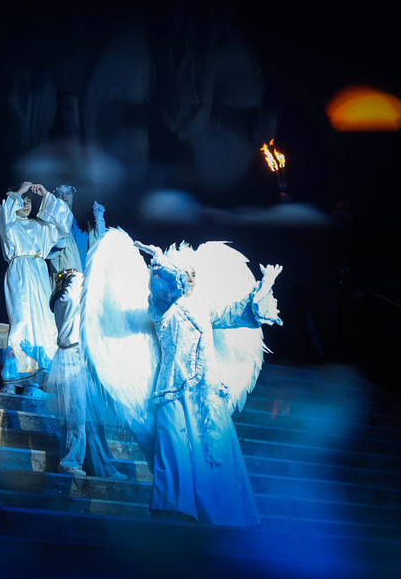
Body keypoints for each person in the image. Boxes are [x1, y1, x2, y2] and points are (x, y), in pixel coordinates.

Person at [136, 242, 281, 525]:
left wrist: (264, 286)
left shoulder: (204, 308)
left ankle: (217, 511)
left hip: (207, 391)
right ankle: (173, 511)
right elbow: (161, 293)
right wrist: (161, 263)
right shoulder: (164, 309)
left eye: (192, 275)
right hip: (175, 388)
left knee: (212, 451)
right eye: (184, 274)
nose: (189, 280)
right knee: (175, 451)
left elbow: (237, 312)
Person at [44, 269, 125, 479]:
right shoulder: (64, 302)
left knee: (95, 417)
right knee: (75, 415)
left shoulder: (80, 304)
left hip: (85, 359)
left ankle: (104, 467)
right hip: (69, 358)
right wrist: (77, 276)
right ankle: (69, 462)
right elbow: (72, 296)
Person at [0, 181, 73, 394]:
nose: (26, 204)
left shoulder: (40, 226)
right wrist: (19, 191)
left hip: (39, 274)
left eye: (29, 200)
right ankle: (12, 379)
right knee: (21, 321)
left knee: (43, 324)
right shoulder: (9, 224)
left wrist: (46, 195)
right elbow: (4, 214)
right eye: (22, 200)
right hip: (20, 273)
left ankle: (36, 379)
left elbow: (64, 224)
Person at [46, 185, 106, 280]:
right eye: (60, 193)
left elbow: (101, 241)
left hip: (87, 267)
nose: (64, 196)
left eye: (68, 193)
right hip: (66, 269)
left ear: (73, 195)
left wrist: (99, 218)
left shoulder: (84, 222)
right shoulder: (51, 221)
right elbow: (49, 249)